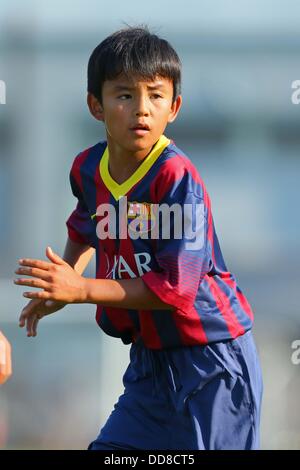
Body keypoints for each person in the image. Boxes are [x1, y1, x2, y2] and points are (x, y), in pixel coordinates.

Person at [14, 26, 263, 450]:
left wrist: (82, 289)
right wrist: (63, 281)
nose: (141, 109)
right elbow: (84, 225)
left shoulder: (175, 177)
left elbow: (177, 290)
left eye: (156, 95)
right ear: (96, 105)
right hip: (149, 366)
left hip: (213, 361)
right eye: (125, 95)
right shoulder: (89, 168)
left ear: (175, 107)